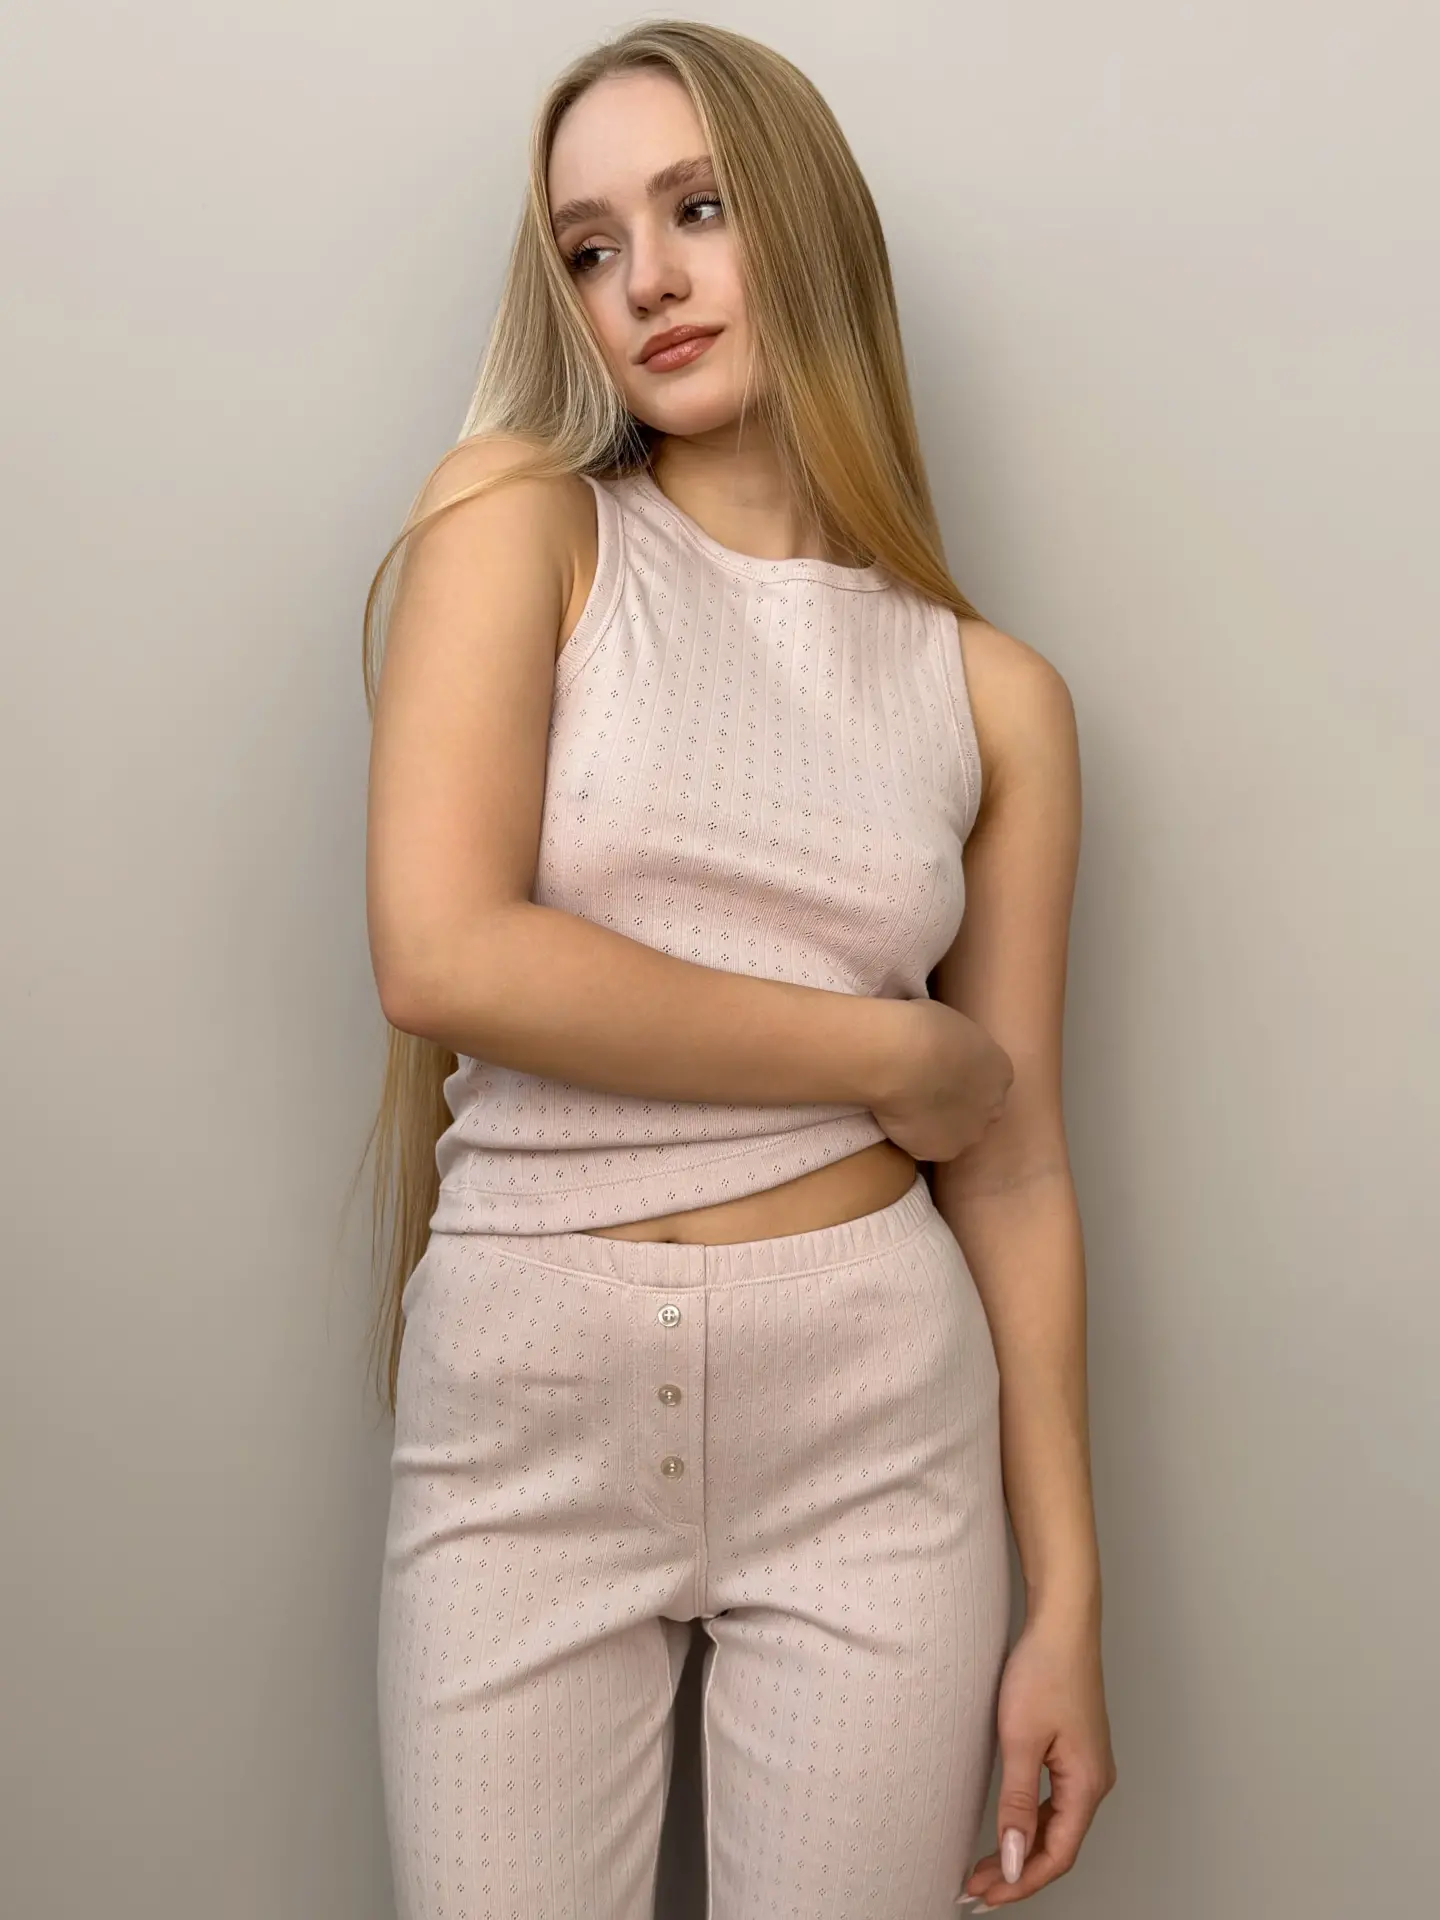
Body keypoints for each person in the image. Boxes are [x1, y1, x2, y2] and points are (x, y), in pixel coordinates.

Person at [357, 19, 1116, 1919]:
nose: (648, 281)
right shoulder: (514, 527)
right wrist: (891, 1055)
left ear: (809, 226)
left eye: (698, 210)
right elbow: (442, 956)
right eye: (592, 246)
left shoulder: (992, 694)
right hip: (528, 1408)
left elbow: (1016, 1166)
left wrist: (1069, 1605)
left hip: (874, 1419)